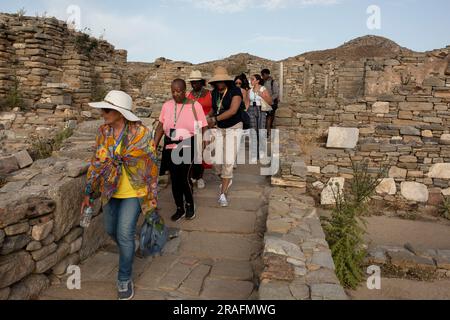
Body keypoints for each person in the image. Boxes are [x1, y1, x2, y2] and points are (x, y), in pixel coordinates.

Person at [82, 90, 159, 301]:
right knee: (110, 230)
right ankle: (130, 247)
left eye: (107, 110)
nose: (103, 113)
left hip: (133, 191)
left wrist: (151, 193)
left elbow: (151, 162)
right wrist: (88, 192)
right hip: (110, 189)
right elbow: (97, 161)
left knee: (124, 233)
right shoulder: (103, 132)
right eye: (103, 109)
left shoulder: (141, 133)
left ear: (120, 112)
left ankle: (124, 278)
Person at [154, 79, 208, 222]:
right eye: (173, 91)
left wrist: (203, 144)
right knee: (174, 179)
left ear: (185, 91)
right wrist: (153, 145)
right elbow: (160, 127)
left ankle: (190, 205)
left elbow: (203, 127)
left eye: (178, 91)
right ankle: (179, 208)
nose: (175, 94)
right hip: (170, 144)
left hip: (188, 143)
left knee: (184, 177)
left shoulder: (195, 105)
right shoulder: (167, 106)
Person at [207, 66, 244, 207]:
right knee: (215, 161)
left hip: (234, 127)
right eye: (217, 81)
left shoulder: (235, 91)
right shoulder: (215, 92)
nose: (219, 83)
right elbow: (214, 108)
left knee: (228, 160)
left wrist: (215, 119)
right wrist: (207, 116)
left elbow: (233, 110)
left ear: (226, 80)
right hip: (219, 128)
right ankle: (226, 178)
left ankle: (223, 193)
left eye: (221, 80)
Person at [186, 70, 213, 190]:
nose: (194, 85)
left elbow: (214, 108)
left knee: (202, 152)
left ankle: (200, 177)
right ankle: (193, 175)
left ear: (202, 82)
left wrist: (208, 116)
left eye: (196, 82)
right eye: (192, 82)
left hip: (206, 125)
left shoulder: (209, 94)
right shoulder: (188, 95)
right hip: (192, 127)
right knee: (192, 152)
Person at [249, 74, 272, 159]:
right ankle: (255, 154)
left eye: (252, 79)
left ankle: (261, 152)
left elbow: (270, 101)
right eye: (250, 79)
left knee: (261, 131)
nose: (251, 81)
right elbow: (247, 103)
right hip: (251, 110)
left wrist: (261, 95)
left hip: (261, 110)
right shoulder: (250, 90)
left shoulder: (263, 89)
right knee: (253, 132)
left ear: (257, 81)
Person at [261, 69, 280, 138]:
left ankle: (268, 132)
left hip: (271, 103)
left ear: (267, 74)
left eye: (263, 75)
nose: (262, 77)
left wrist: (269, 100)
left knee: (269, 117)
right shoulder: (262, 82)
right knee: (265, 117)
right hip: (263, 102)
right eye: (262, 75)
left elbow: (276, 93)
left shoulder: (273, 82)